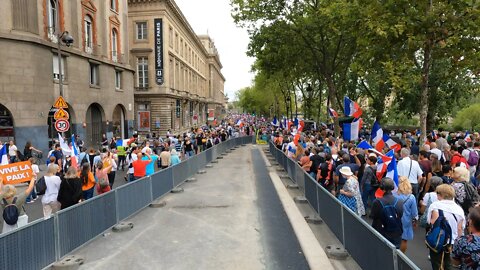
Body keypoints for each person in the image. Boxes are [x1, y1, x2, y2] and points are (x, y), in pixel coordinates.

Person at [427, 184, 465, 270]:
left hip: (438, 239)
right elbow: (460, 228)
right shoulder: (459, 209)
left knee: (437, 263)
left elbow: (431, 222)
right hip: (452, 241)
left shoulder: (435, 205)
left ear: (440, 194)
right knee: (449, 264)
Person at [371, 177, 404, 248]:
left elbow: (373, 216)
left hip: (380, 232)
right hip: (396, 233)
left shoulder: (377, 202)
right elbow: (400, 215)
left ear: (381, 187)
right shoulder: (400, 202)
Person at [395, 176, 418, 253]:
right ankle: (401, 255)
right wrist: (415, 221)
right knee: (404, 239)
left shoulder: (395, 195)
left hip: (396, 218)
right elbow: (414, 212)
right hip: (406, 219)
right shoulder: (411, 197)